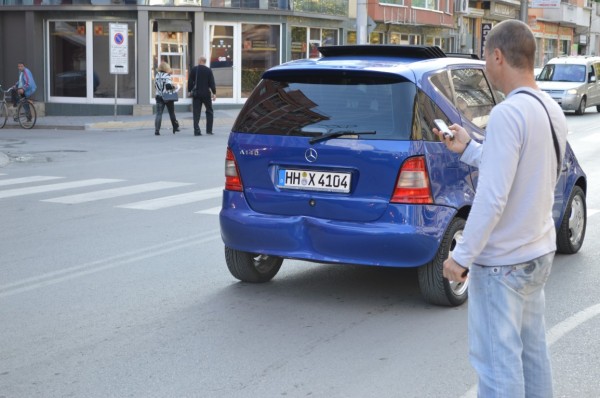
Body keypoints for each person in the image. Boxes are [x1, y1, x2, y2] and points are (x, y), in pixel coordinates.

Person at [433, 20, 568, 397]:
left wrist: (461, 256)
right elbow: (526, 169)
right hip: (536, 251)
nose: (484, 65)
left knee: (496, 366)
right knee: (533, 356)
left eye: (484, 57)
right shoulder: (550, 109)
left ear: (497, 56)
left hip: (503, 262)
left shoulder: (509, 114)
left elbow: (493, 197)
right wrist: (469, 148)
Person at [187, 56, 216, 136]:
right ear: (205, 62)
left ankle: (197, 131)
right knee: (209, 111)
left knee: (196, 112)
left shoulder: (194, 69)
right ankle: (209, 130)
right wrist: (214, 93)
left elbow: (190, 81)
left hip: (197, 94)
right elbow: (212, 83)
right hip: (206, 94)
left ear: (200, 61)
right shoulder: (208, 70)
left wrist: (189, 91)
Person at [154, 61, 180, 136]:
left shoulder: (156, 75)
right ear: (166, 68)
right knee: (171, 112)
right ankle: (175, 127)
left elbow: (155, 86)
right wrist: (175, 87)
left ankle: (157, 130)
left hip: (159, 96)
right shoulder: (167, 75)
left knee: (159, 114)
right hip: (167, 96)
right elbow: (168, 86)